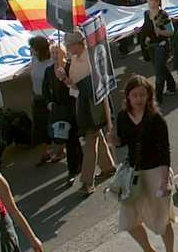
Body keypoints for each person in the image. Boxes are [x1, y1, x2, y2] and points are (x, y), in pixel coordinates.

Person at [112, 75, 178, 252]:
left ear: (149, 96)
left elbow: (165, 151)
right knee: (129, 220)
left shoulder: (156, 119)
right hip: (134, 174)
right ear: (128, 97)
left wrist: (165, 181)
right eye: (134, 95)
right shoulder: (123, 116)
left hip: (156, 172)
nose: (139, 98)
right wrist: (114, 140)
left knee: (161, 218)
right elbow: (123, 142)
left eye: (143, 94)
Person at [64, 29, 115, 195]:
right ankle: (108, 167)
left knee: (90, 141)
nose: (67, 48)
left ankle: (87, 182)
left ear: (77, 44)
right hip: (83, 103)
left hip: (94, 105)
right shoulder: (73, 58)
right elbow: (74, 85)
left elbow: (91, 85)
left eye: (68, 45)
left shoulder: (90, 58)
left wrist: (70, 82)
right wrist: (65, 80)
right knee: (95, 135)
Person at [42, 42, 82, 183]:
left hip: (71, 107)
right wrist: (49, 103)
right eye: (52, 53)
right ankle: (75, 166)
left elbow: (76, 88)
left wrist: (65, 78)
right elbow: (45, 89)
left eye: (57, 53)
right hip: (57, 110)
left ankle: (74, 168)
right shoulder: (48, 71)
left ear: (64, 53)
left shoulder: (70, 66)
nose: (54, 56)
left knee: (73, 138)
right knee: (66, 138)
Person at [138, 0, 177, 104]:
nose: (148, 2)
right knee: (161, 68)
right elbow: (146, 27)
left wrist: (160, 32)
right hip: (151, 46)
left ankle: (158, 97)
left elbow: (171, 31)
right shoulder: (146, 14)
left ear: (156, 2)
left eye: (150, 0)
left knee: (158, 72)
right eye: (148, 1)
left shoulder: (163, 15)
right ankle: (172, 86)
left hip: (162, 46)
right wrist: (144, 35)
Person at [28, 36, 55, 165]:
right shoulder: (34, 59)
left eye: (33, 48)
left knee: (52, 125)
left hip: (47, 99)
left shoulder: (50, 63)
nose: (31, 51)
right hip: (37, 98)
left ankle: (61, 149)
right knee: (40, 127)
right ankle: (45, 152)